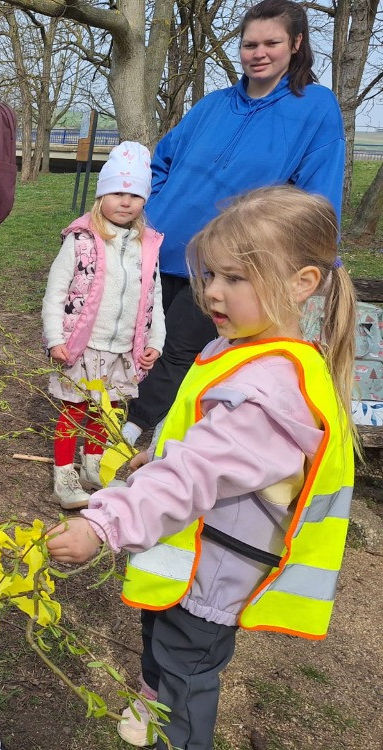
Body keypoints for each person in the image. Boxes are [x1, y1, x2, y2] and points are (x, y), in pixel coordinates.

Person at [46, 186, 356, 750]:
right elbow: (205, 443)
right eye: (211, 274)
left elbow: (193, 475)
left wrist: (102, 524)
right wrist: (158, 451)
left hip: (214, 574)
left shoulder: (268, 392)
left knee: (186, 675)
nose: (211, 291)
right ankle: (153, 699)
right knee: (161, 641)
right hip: (190, 561)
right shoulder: (245, 348)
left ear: (302, 283)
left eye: (235, 278)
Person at [121, 0, 345, 449]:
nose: (258, 53)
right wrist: (150, 209)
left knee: (182, 350)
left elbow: (317, 193)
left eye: (271, 43)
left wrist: (321, 255)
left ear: (296, 44)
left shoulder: (316, 107)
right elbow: (161, 162)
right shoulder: (213, 105)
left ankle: (131, 436)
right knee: (138, 343)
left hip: (224, 262)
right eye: (249, 44)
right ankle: (116, 424)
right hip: (159, 247)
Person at [41, 142, 165, 510]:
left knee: (105, 411)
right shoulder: (80, 241)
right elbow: (55, 292)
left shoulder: (147, 246)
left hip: (123, 348)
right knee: (74, 411)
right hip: (84, 346)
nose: (126, 202)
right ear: (101, 196)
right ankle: (64, 478)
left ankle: (93, 468)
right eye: (117, 193)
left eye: (135, 195)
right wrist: (55, 337)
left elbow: (154, 297)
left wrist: (155, 341)